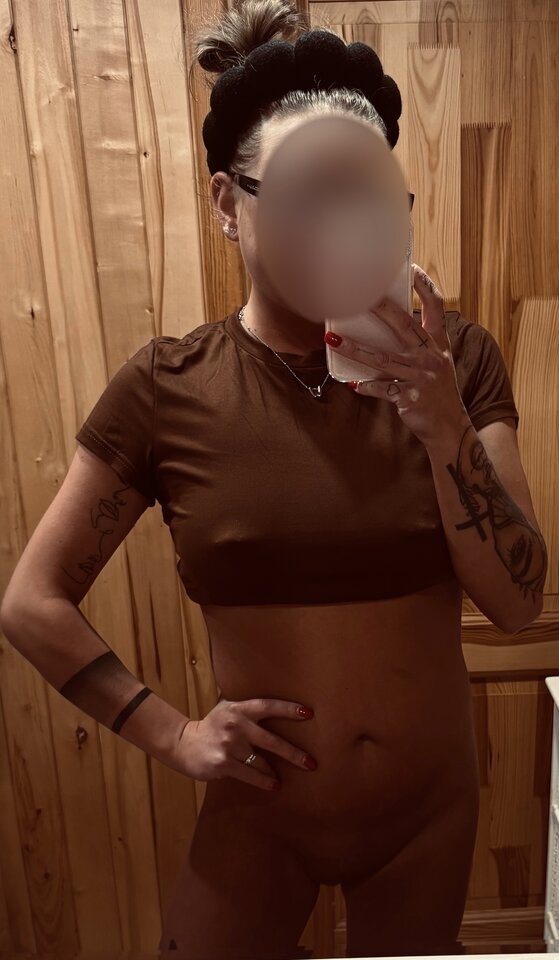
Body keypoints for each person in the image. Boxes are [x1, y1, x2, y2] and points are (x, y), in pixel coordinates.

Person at [0, 2, 548, 959]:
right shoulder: (167, 387)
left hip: (425, 815)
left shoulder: (454, 361)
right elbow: (32, 602)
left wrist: (444, 427)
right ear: (228, 202)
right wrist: (171, 735)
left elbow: (517, 602)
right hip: (257, 816)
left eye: (365, 196)